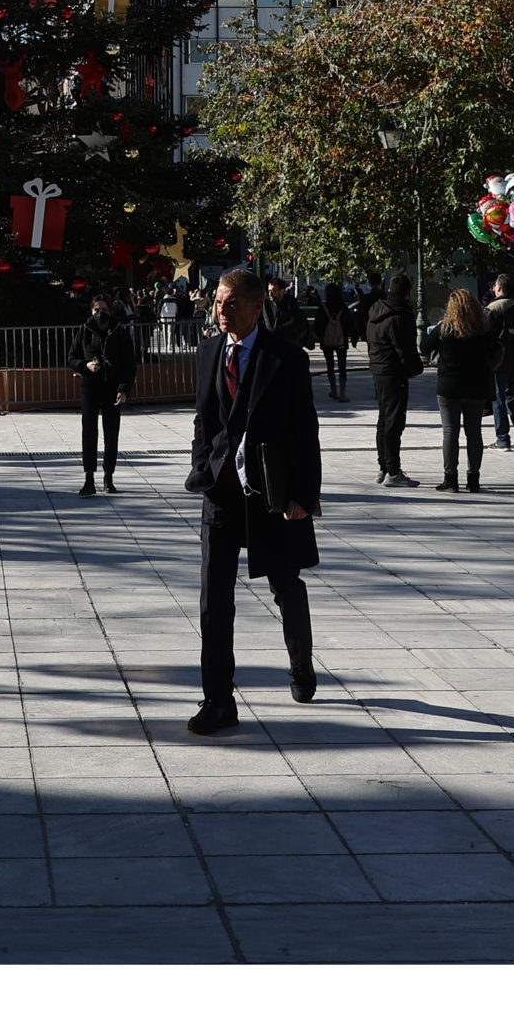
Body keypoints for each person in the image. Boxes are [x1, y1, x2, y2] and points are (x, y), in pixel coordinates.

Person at [184, 269, 322, 735]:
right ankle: (218, 700)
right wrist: (202, 465)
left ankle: (300, 663)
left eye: (232, 304)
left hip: (271, 496)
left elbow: (305, 429)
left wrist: (303, 495)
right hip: (220, 496)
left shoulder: (285, 358)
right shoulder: (209, 352)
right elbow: (204, 419)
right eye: (218, 302)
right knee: (213, 601)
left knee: (285, 586)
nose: (221, 311)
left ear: (257, 307)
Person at [421, 287, 495, 494]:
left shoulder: (444, 329)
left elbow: (424, 347)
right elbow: (494, 350)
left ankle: (450, 479)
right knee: (474, 432)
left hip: (449, 386)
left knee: (450, 431)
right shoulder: (483, 329)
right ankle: (473, 479)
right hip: (476, 386)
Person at [72, 294, 140, 496]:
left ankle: (108, 476)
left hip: (112, 387)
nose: (100, 313)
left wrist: (124, 389)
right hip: (90, 386)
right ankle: (89, 478)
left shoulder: (119, 331)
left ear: (111, 311)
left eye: (104, 310)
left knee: (111, 433)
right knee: (89, 431)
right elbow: (71, 357)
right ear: (91, 311)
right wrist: (85, 366)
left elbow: (129, 364)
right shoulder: (85, 330)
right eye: (96, 310)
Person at [364, 275, 422, 487]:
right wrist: (415, 369)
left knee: (384, 419)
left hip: (378, 369)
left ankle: (383, 466)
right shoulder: (400, 315)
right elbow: (405, 348)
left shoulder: (376, 311)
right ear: (407, 292)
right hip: (394, 372)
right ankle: (393, 470)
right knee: (394, 422)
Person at [485, 274, 514, 450]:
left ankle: (502, 439)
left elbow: (486, 336)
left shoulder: (493, 308)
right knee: (512, 396)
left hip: (499, 361)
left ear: (499, 288)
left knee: (499, 399)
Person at [317, 282, 355, 400]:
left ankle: (333, 390)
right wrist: (354, 338)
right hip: (341, 341)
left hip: (327, 342)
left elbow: (318, 325)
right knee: (342, 365)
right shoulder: (343, 307)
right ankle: (342, 393)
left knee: (330, 365)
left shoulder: (323, 307)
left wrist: (319, 337)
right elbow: (351, 324)